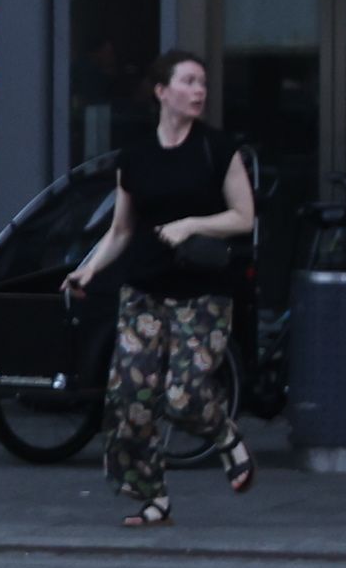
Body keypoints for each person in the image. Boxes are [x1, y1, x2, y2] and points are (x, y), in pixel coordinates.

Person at [60, 50, 256, 524]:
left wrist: (191, 224)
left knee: (184, 396)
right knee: (130, 398)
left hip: (203, 294)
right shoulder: (136, 157)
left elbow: (244, 217)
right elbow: (121, 230)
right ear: (162, 92)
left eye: (202, 83)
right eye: (188, 82)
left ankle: (225, 435)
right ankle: (153, 497)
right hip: (144, 292)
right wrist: (89, 268)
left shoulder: (217, 149)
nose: (198, 91)